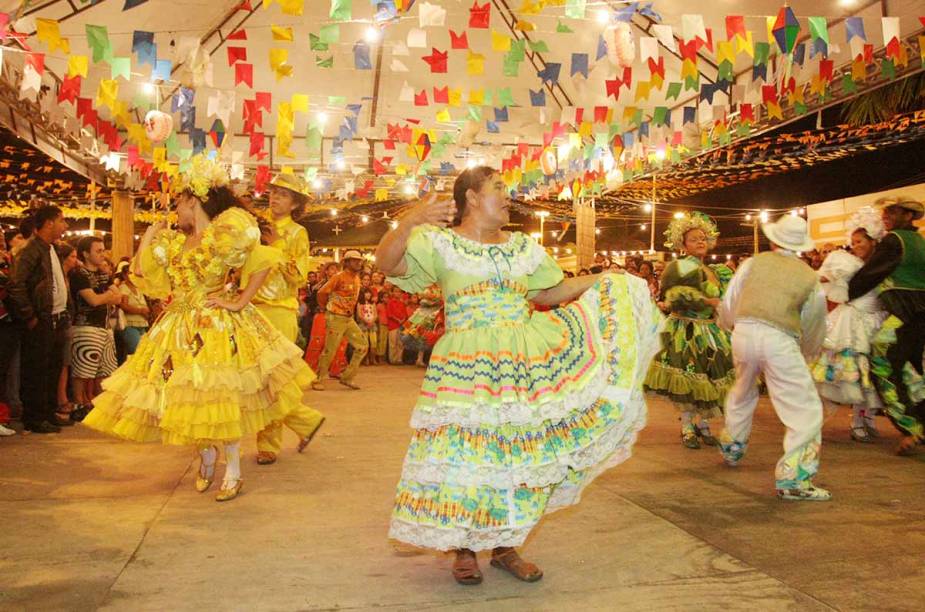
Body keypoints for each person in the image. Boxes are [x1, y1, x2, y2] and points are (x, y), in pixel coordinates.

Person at [375, 166, 662, 585]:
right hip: (466, 362)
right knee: (468, 456)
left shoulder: (523, 247)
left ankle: (506, 546)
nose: (508, 197)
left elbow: (547, 292)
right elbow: (387, 263)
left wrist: (603, 279)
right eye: (499, 188)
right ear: (471, 197)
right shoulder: (439, 242)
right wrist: (411, 220)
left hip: (522, 360)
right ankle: (466, 549)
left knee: (515, 455)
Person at [82, 155, 318, 502]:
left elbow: (263, 262)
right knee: (189, 399)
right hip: (177, 328)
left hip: (216, 326)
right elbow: (148, 280)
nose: (176, 208)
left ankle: (233, 470)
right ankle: (207, 454)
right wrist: (148, 240)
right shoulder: (176, 242)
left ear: (194, 200)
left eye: (179, 201)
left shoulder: (226, 235)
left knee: (221, 399)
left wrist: (238, 301)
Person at [717, 215, 830, 501]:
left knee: (742, 389)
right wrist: (807, 351)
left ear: (773, 239)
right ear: (801, 246)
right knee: (802, 407)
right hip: (779, 339)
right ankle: (795, 479)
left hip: (743, 332)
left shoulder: (754, 263)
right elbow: (815, 320)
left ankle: (733, 445)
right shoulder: (809, 277)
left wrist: (731, 325)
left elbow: (730, 300)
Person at [248, 173, 326, 465]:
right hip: (251, 310)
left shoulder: (296, 233)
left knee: (273, 380)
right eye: (274, 192)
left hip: (280, 310)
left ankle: (269, 443)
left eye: (283, 194)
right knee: (257, 381)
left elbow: (298, 276)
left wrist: (278, 244)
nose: (275, 197)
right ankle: (306, 421)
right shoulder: (256, 229)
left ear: (295, 204)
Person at [646, 213, 734, 449]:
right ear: (683, 244)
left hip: (712, 331)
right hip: (686, 332)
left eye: (703, 238)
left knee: (711, 381)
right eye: (694, 239)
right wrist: (709, 302)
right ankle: (687, 427)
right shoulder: (680, 266)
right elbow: (675, 297)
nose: (700, 242)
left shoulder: (717, 270)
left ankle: (703, 425)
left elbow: (726, 298)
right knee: (690, 380)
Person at [848, 197, 925, 455]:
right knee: (912, 370)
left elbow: (869, 275)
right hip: (918, 316)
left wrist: (847, 293)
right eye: (885, 211)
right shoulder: (918, 241)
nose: (886, 215)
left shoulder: (895, 241)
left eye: (893, 211)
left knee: (884, 366)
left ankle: (911, 426)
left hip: (902, 314)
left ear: (907, 215)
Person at [811, 208, 887, 442]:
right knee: (857, 374)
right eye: (853, 242)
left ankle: (869, 419)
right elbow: (820, 278)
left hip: (878, 321)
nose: (855, 246)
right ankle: (856, 422)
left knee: (875, 374)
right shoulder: (846, 263)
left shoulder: (884, 263)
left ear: (873, 241)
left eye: (860, 241)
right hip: (853, 323)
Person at [7, 206, 70, 433]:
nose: (66, 226)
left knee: (52, 367)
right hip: (40, 318)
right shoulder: (32, 249)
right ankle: (34, 417)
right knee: (36, 370)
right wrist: (29, 315)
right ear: (49, 223)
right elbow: (16, 284)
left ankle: (47, 412)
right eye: (62, 221)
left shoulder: (51, 248)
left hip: (56, 317)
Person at [69, 236, 123, 420]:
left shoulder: (103, 274)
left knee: (106, 369)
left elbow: (119, 297)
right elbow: (93, 300)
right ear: (85, 253)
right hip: (86, 327)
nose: (103, 254)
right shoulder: (79, 274)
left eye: (103, 250)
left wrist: (105, 296)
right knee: (83, 370)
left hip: (105, 327)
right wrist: (108, 295)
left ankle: (101, 405)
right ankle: (78, 404)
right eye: (98, 251)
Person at [313, 251, 368, 390]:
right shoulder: (339, 277)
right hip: (336, 317)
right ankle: (317, 379)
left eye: (359, 261)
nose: (358, 263)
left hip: (348, 319)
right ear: (346, 262)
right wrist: (328, 308)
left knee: (362, 346)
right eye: (355, 260)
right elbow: (322, 292)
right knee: (330, 349)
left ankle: (347, 377)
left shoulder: (356, 278)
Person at [55, 242, 79, 423]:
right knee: (62, 362)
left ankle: (63, 397)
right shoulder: (59, 276)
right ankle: (61, 399)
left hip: (67, 320)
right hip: (60, 321)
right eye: (72, 256)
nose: (75, 260)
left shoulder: (68, 276)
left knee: (66, 362)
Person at [115, 261, 150, 357]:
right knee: (137, 352)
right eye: (129, 273)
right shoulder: (123, 288)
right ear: (124, 275)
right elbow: (124, 306)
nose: (132, 276)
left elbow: (144, 304)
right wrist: (140, 311)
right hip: (130, 325)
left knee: (145, 352)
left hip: (142, 324)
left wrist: (146, 311)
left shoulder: (138, 288)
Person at [385, 286, 408, 364]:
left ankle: (399, 359)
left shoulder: (402, 303)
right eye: (395, 291)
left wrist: (403, 319)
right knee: (393, 343)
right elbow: (389, 314)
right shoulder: (390, 302)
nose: (397, 293)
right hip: (393, 325)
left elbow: (405, 314)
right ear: (392, 293)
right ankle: (393, 359)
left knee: (400, 343)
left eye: (399, 292)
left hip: (401, 325)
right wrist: (397, 319)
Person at [356, 288, 378, 365]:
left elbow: (375, 314)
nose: (368, 294)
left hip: (372, 324)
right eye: (366, 293)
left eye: (369, 293)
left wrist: (372, 321)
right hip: (363, 325)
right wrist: (366, 321)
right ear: (363, 294)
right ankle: (366, 359)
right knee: (365, 343)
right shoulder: (359, 303)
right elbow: (359, 314)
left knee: (374, 342)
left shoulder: (373, 303)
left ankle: (373, 358)